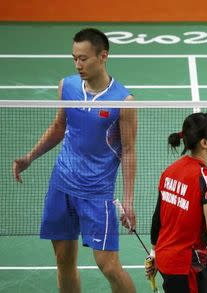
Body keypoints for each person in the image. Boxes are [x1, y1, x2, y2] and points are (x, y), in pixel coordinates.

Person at [12, 28, 137, 293]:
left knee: (110, 267)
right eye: (74, 58)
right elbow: (59, 127)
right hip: (62, 185)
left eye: (84, 58)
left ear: (103, 56)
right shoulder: (67, 86)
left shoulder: (123, 100)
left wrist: (127, 201)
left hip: (97, 192)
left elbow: (128, 150)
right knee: (64, 263)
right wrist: (29, 157)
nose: (78, 65)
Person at [145, 112, 207, 293]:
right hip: (186, 267)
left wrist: (153, 254)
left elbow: (157, 219)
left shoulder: (169, 171)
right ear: (204, 143)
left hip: (165, 259)